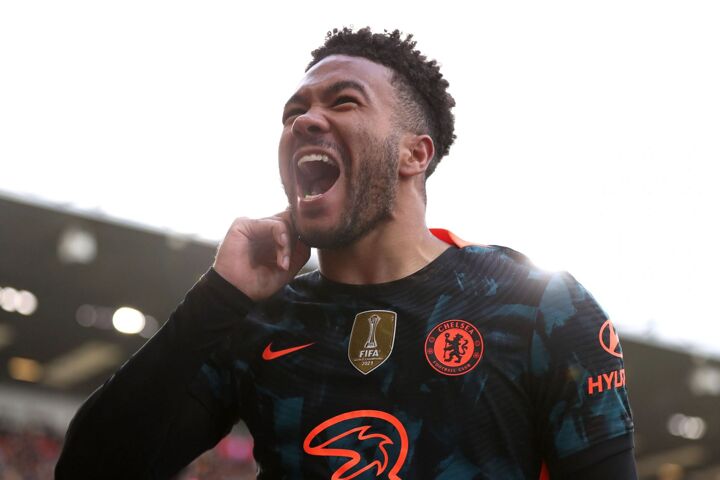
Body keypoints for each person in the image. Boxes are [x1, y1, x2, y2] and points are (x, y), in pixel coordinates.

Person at [56, 27, 636, 479]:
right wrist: (218, 297)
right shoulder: (258, 320)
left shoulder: (538, 306)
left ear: (415, 154)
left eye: (344, 102)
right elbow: (89, 472)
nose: (306, 120)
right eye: (295, 112)